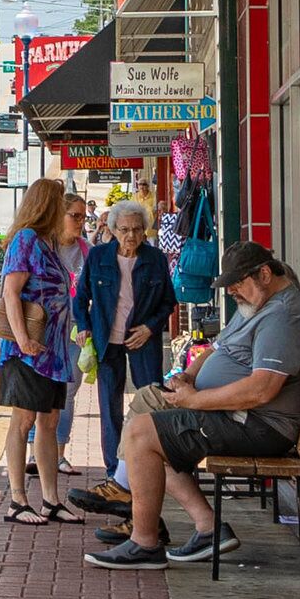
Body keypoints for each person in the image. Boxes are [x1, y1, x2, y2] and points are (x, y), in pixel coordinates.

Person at [85, 242, 300, 569]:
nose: (233, 292)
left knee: (144, 435)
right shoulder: (257, 305)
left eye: (239, 283)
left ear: (265, 274)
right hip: (233, 413)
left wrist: (194, 400)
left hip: (256, 423)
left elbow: (261, 389)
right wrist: (189, 377)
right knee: (147, 404)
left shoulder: (282, 316)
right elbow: (217, 348)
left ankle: (144, 542)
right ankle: (202, 526)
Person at [63, 200, 177, 514]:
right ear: (112, 230)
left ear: (145, 231)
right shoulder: (99, 256)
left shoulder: (154, 259)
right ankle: (115, 475)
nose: (131, 236)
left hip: (142, 341)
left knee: (149, 403)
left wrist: (150, 328)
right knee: (109, 407)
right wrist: (84, 327)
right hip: (106, 341)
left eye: (137, 229)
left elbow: (168, 302)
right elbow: (80, 296)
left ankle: (148, 468)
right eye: (124, 229)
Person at [0, 180, 82, 522]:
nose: (65, 211)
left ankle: (51, 498)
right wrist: (22, 338)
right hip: (27, 350)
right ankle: (17, 499)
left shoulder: (49, 242)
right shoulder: (26, 239)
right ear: (46, 205)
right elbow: (11, 292)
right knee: (24, 418)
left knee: (50, 420)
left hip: (52, 350)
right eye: (60, 204)